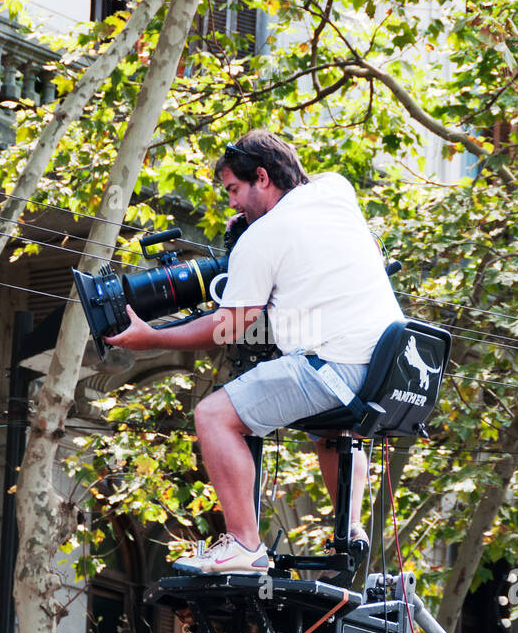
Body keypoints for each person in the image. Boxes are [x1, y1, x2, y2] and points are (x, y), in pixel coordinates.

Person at [104, 130, 404, 575]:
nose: (230, 204)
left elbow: (228, 326)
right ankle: (351, 528)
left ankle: (244, 545)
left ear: (261, 177)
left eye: (233, 190)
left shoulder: (262, 238)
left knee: (212, 416)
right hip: (388, 366)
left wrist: (153, 337)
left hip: (332, 368)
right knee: (331, 430)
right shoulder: (335, 189)